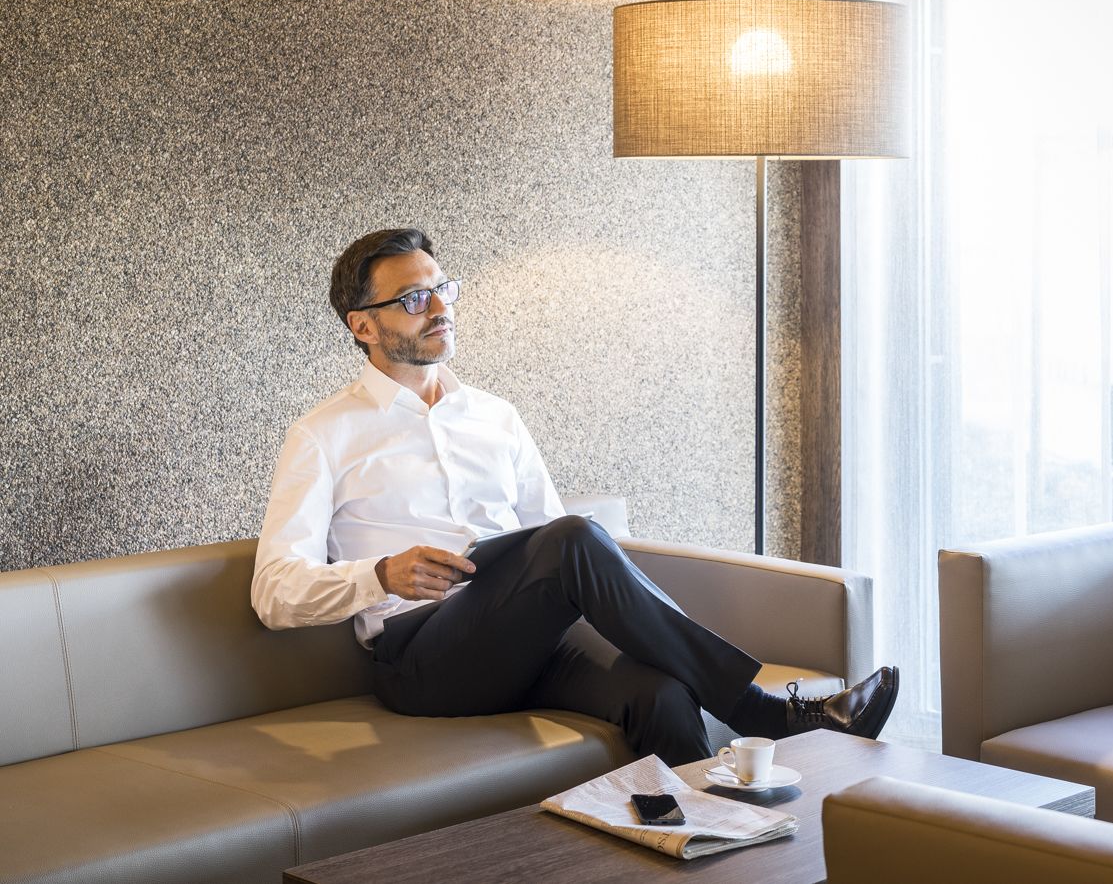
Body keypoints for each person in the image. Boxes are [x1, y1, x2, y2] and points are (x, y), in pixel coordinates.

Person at [251, 227, 898, 765]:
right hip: (421, 656)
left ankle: (702, 849)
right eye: (415, 297)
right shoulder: (322, 434)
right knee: (575, 537)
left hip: (524, 636)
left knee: (663, 695)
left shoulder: (495, 416)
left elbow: (549, 543)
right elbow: (273, 592)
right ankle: (766, 713)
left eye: (442, 287)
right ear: (362, 324)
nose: (440, 308)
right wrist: (379, 574)